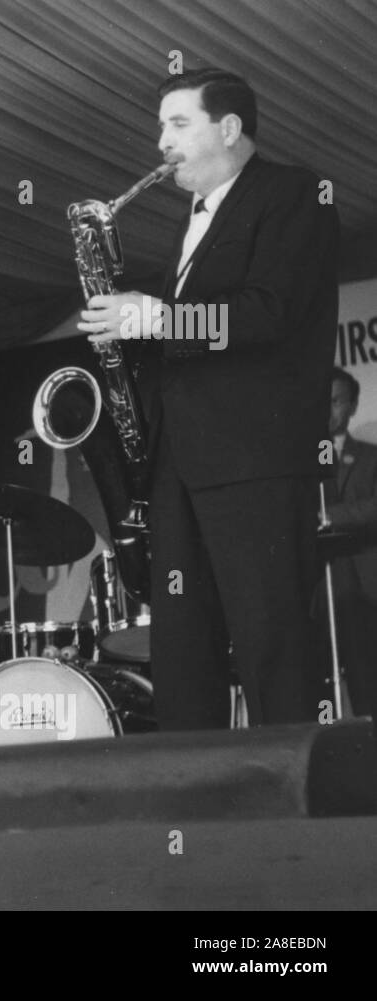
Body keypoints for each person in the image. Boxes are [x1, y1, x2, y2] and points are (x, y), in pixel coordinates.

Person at [79, 69, 339, 729]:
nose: (160, 142)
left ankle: (298, 799)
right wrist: (131, 337)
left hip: (254, 459)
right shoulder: (195, 216)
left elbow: (264, 315)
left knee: (270, 640)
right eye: (160, 125)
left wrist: (160, 319)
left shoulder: (294, 193)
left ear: (229, 128)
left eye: (178, 124)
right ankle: (196, 798)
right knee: (182, 648)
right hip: (183, 462)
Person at [318, 368, 377, 717]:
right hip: (320, 590)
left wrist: (328, 518)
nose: (328, 411)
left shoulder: (371, 458)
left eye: (337, 401)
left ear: (353, 406)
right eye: (321, 403)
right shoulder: (301, 464)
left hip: (364, 588)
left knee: (368, 679)